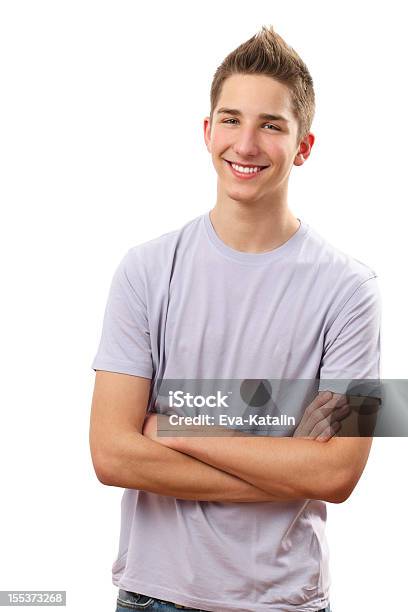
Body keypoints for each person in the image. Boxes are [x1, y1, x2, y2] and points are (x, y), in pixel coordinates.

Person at [89, 25, 381, 612]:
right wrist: (281, 468)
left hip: (284, 601)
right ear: (206, 131)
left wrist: (175, 429)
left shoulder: (353, 290)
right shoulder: (145, 270)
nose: (245, 145)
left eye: (271, 125)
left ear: (304, 145)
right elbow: (111, 454)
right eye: (230, 119)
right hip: (154, 596)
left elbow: (337, 475)